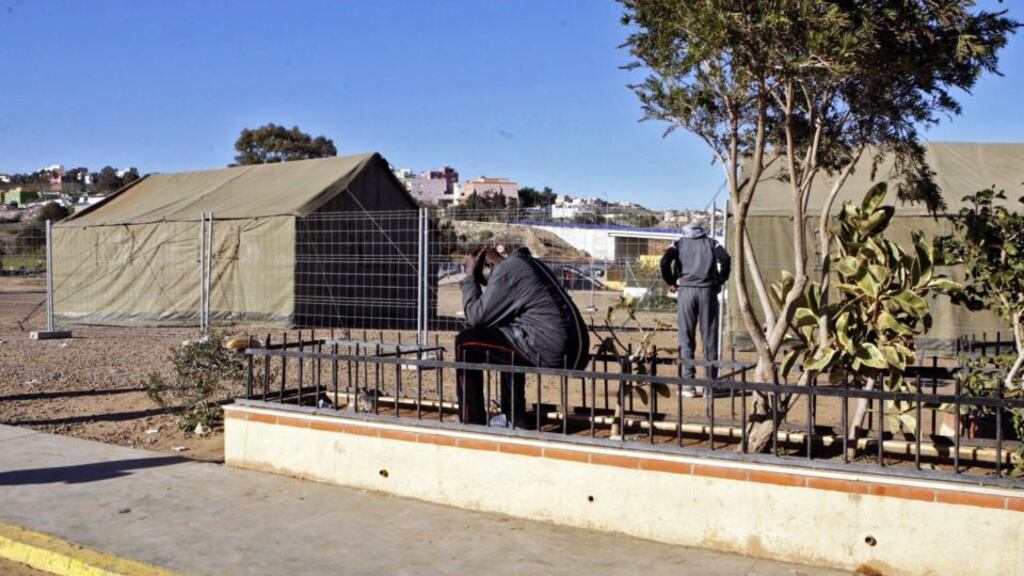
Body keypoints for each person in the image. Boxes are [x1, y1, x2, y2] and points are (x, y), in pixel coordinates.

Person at [457, 246, 590, 427]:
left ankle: (471, 421)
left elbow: (475, 317)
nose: (490, 286)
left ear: (488, 265)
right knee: (504, 338)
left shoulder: (506, 270)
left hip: (550, 348)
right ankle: (513, 418)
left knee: (465, 342)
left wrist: (470, 278)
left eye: (487, 281)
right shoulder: (529, 264)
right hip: (573, 349)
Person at [660, 223, 731, 397]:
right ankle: (710, 386)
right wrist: (720, 280)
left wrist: (671, 282)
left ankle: (688, 385)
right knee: (709, 337)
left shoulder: (678, 244)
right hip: (708, 292)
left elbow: (664, 262)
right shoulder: (712, 243)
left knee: (686, 337)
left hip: (686, 291)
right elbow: (726, 259)